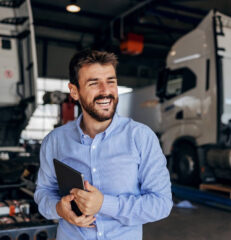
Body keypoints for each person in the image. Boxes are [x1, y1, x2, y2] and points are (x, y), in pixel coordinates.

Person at [34, 49, 173, 240]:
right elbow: (43, 192)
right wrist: (58, 209)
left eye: (111, 82)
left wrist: (104, 204)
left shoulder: (140, 137)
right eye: (94, 83)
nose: (105, 91)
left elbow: (161, 203)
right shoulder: (55, 141)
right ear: (74, 91)